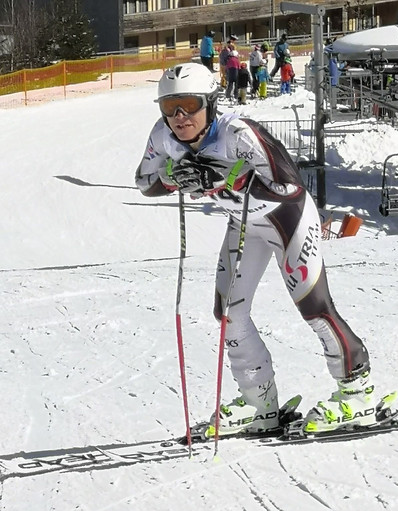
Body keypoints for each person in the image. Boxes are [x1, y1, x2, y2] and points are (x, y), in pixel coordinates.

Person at [135, 62, 374, 437]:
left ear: (210, 103)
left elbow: (289, 188)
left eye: (190, 104)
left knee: (314, 308)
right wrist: (171, 177)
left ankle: (358, 394)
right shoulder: (163, 136)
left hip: (288, 220)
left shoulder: (238, 134)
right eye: (170, 107)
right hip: (245, 224)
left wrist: (227, 178)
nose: (180, 116)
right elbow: (144, 181)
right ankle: (259, 402)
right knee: (229, 313)